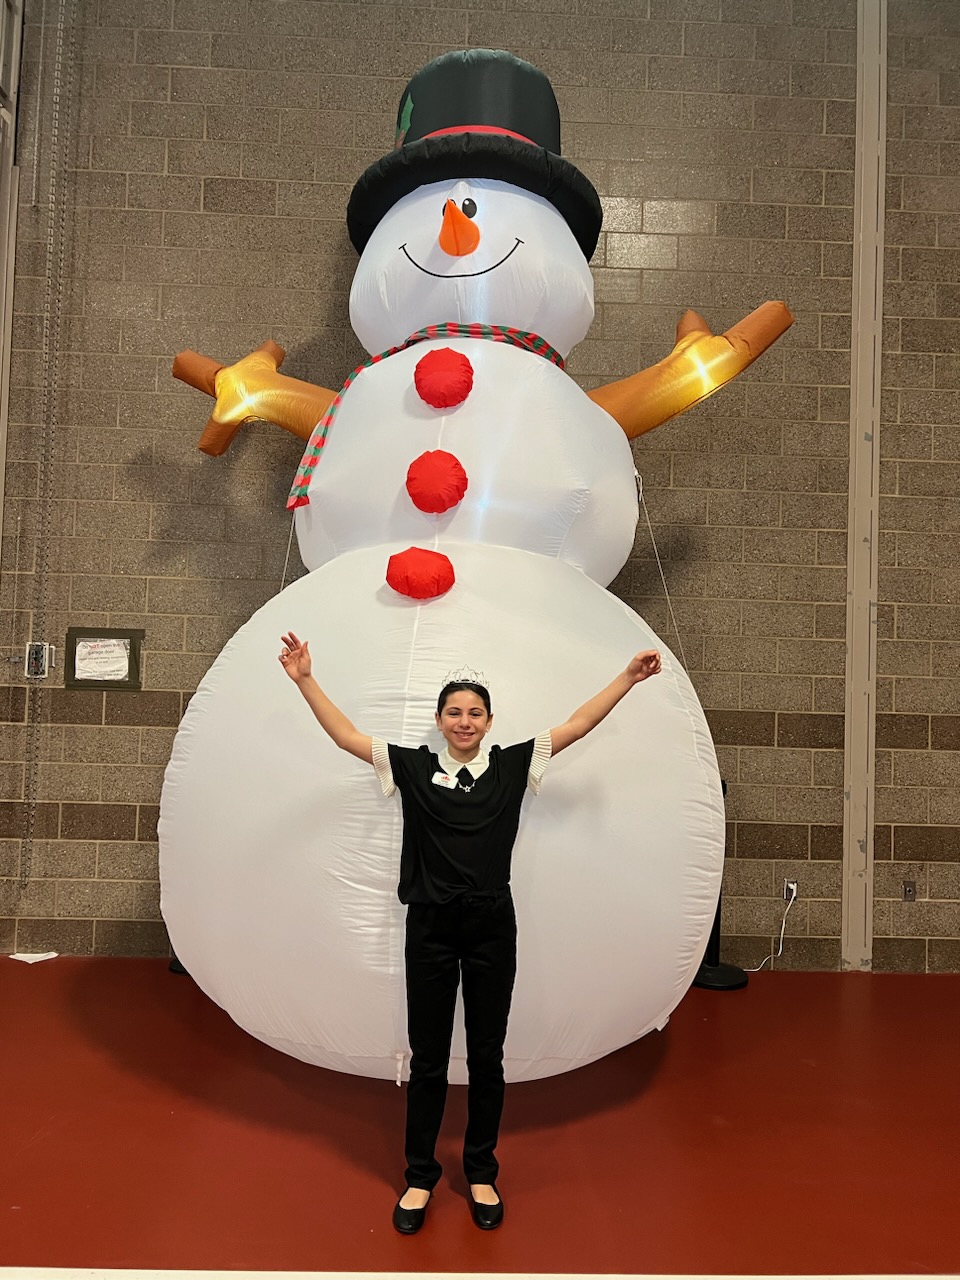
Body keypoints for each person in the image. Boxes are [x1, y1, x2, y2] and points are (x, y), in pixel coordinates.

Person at [278, 631, 661, 1232]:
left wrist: (628, 679)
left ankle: (481, 1171)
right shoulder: (411, 765)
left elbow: (579, 723)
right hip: (429, 928)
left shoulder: (512, 764)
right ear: (439, 720)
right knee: (429, 1058)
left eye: (475, 712)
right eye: (454, 712)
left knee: (487, 1055)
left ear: (489, 721)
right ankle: (420, 1177)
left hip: (490, 928)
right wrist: (305, 680)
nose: (464, 721)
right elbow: (348, 736)